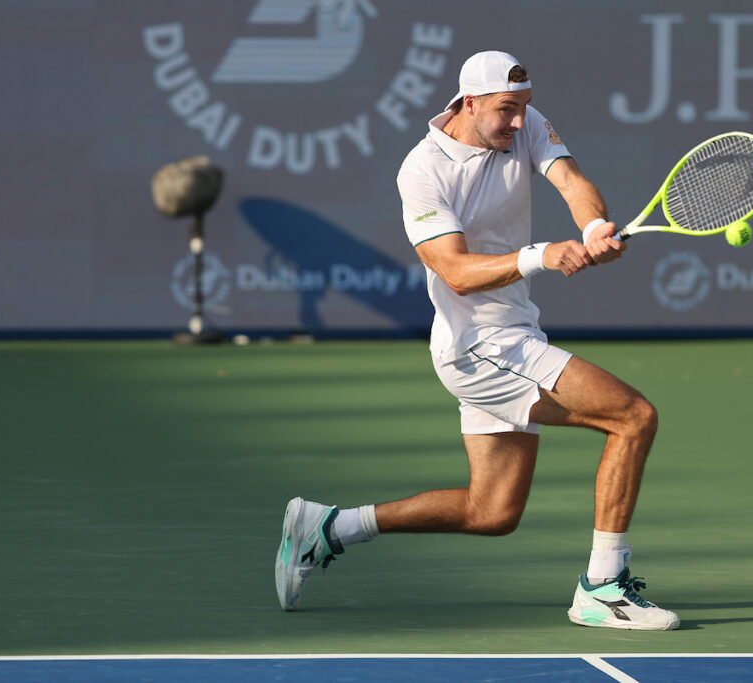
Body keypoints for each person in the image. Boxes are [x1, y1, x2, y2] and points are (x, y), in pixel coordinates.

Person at [275, 51, 679, 631]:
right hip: (479, 347)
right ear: (469, 104)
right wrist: (544, 255)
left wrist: (592, 227)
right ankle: (603, 587)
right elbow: (456, 271)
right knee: (633, 417)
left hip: (512, 334)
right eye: (505, 111)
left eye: (523, 110)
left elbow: (570, 180)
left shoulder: (524, 124)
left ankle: (328, 528)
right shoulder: (421, 171)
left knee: (491, 512)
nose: (519, 123)